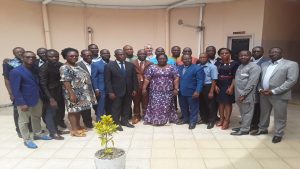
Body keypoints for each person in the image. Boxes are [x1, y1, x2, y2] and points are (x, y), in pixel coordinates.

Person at [252, 47, 299, 143]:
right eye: (271, 52)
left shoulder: (291, 64)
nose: (273, 53)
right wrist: (260, 89)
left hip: (280, 95)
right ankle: (263, 129)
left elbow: (291, 81)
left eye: (276, 52)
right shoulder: (265, 64)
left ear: (281, 53)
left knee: (280, 115)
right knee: (264, 114)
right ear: (269, 54)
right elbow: (260, 79)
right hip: (264, 94)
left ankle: (278, 133)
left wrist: (274, 91)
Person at [10, 51, 52, 149]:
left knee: (36, 117)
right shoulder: (16, 71)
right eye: (28, 57)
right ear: (22, 58)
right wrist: (21, 103)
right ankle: (27, 139)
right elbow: (15, 89)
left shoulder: (34, 69)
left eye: (33, 57)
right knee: (24, 121)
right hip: (24, 100)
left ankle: (38, 133)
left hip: (36, 98)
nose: (31, 59)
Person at [60, 48, 97, 137]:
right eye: (71, 56)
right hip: (73, 93)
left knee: (78, 110)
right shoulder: (65, 67)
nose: (74, 57)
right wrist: (71, 94)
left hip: (81, 93)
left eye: (76, 56)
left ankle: (78, 126)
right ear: (66, 57)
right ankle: (74, 130)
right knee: (73, 111)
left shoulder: (76, 65)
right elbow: (65, 81)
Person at [104, 49, 138, 131]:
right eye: (120, 54)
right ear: (115, 56)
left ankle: (124, 121)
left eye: (123, 54)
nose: (122, 56)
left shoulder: (130, 65)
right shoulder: (109, 65)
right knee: (116, 108)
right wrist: (110, 92)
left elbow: (134, 78)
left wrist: (135, 89)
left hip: (129, 91)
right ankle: (116, 123)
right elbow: (107, 80)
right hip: (116, 92)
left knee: (127, 107)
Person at [142, 54, 179, 126]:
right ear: (157, 59)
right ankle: (153, 119)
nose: (162, 60)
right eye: (160, 59)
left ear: (167, 59)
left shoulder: (172, 67)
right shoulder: (152, 67)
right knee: (154, 105)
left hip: (168, 91)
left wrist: (176, 89)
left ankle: (167, 120)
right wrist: (144, 88)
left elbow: (176, 78)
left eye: (163, 58)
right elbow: (147, 78)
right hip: (155, 90)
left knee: (167, 105)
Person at [230, 50, 261, 136]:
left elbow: (252, 83)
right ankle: (244, 126)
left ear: (250, 56)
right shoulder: (240, 66)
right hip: (238, 94)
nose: (243, 57)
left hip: (247, 95)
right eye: (241, 55)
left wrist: (244, 94)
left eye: (245, 55)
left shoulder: (254, 67)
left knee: (247, 113)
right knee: (243, 112)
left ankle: (245, 130)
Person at [39, 49, 66, 140]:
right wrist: (50, 98)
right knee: (51, 113)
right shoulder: (44, 68)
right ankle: (52, 132)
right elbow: (43, 85)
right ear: (46, 57)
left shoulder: (60, 65)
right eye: (51, 56)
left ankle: (56, 129)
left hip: (59, 91)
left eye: (56, 56)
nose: (54, 58)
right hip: (49, 93)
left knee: (58, 112)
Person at [3, 47, 26, 138]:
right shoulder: (9, 63)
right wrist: (11, 93)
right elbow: (6, 79)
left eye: (21, 51)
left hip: (28, 90)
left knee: (29, 109)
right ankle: (19, 129)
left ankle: (29, 127)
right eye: (17, 52)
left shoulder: (29, 61)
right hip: (17, 90)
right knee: (18, 111)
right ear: (14, 53)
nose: (20, 53)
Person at [177, 55, 204, 129]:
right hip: (181, 92)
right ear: (182, 60)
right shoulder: (179, 67)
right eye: (185, 59)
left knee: (194, 108)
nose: (187, 60)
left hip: (192, 92)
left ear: (191, 59)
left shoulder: (197, 68)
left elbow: (200, 81)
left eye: (188, 58)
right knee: (183, 107)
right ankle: (185, 119)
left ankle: (193, 122)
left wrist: (198, 91)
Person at [215, 48, 239, 130]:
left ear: (230, 54)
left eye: (226, 53)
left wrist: (232, 87)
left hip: (229, 84)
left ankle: (227, 120)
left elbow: (235, 77)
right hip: (219, 85)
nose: (224, 54)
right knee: (220, 103)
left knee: (228, 103)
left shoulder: (235, 63)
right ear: (219, 54)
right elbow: (214, 75)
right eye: (222, 53)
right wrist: (215, 86)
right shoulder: (217, 63)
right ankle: (221, 119)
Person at [250, 46, 269, 134]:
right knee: (250, 106)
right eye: (254, 51)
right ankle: (249, 122)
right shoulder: (249, 61)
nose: (256, 53)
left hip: (259, 88)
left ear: (262, 52)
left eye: (258, 51)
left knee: (257, 107)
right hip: (249, 88)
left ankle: (255, 124)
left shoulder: (266, 62)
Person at [131, 49, 153, 124]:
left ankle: (146, 116)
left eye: (144, 54)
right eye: (140, 54)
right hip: (136, 86)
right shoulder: (132, 63)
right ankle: (137, 116)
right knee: (136, 102)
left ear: (146, 55)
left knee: (146, 102)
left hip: (147, 86)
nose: (142, 55)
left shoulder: (150, 63)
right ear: (137, 54)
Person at [198, 53, 218, 129]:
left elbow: (214, 80)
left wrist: (211, 91)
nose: (202, 58)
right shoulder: (198, 66)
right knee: (202, 104)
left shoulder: (212, 67)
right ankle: (204, 119)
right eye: (200, 57)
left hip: (208, 86)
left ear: (207, 58)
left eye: (204, 57)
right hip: (200, 87)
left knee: (210, 105)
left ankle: (211, 120)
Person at [91, 49, 111, 121]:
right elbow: (94, 77)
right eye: (104, 53)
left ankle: (110, 118)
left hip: (112, 88)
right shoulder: (95, 64)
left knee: (111, 104)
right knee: (101, 104)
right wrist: (96, 88)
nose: (106, 55)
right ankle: (99, 119)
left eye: (108, 53)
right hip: (101, 87)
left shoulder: (112, 63)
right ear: (101, 55)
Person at [77, 49, 94, 128]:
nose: (89, 57)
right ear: (82, 56)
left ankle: (100, 119)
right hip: (84, 90)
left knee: (97, 106)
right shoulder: (77, 65)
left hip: (96, 89)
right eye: (87, 55)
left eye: (90, 55)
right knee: (86, 107)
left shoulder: (95, 64)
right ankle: (88, 122)